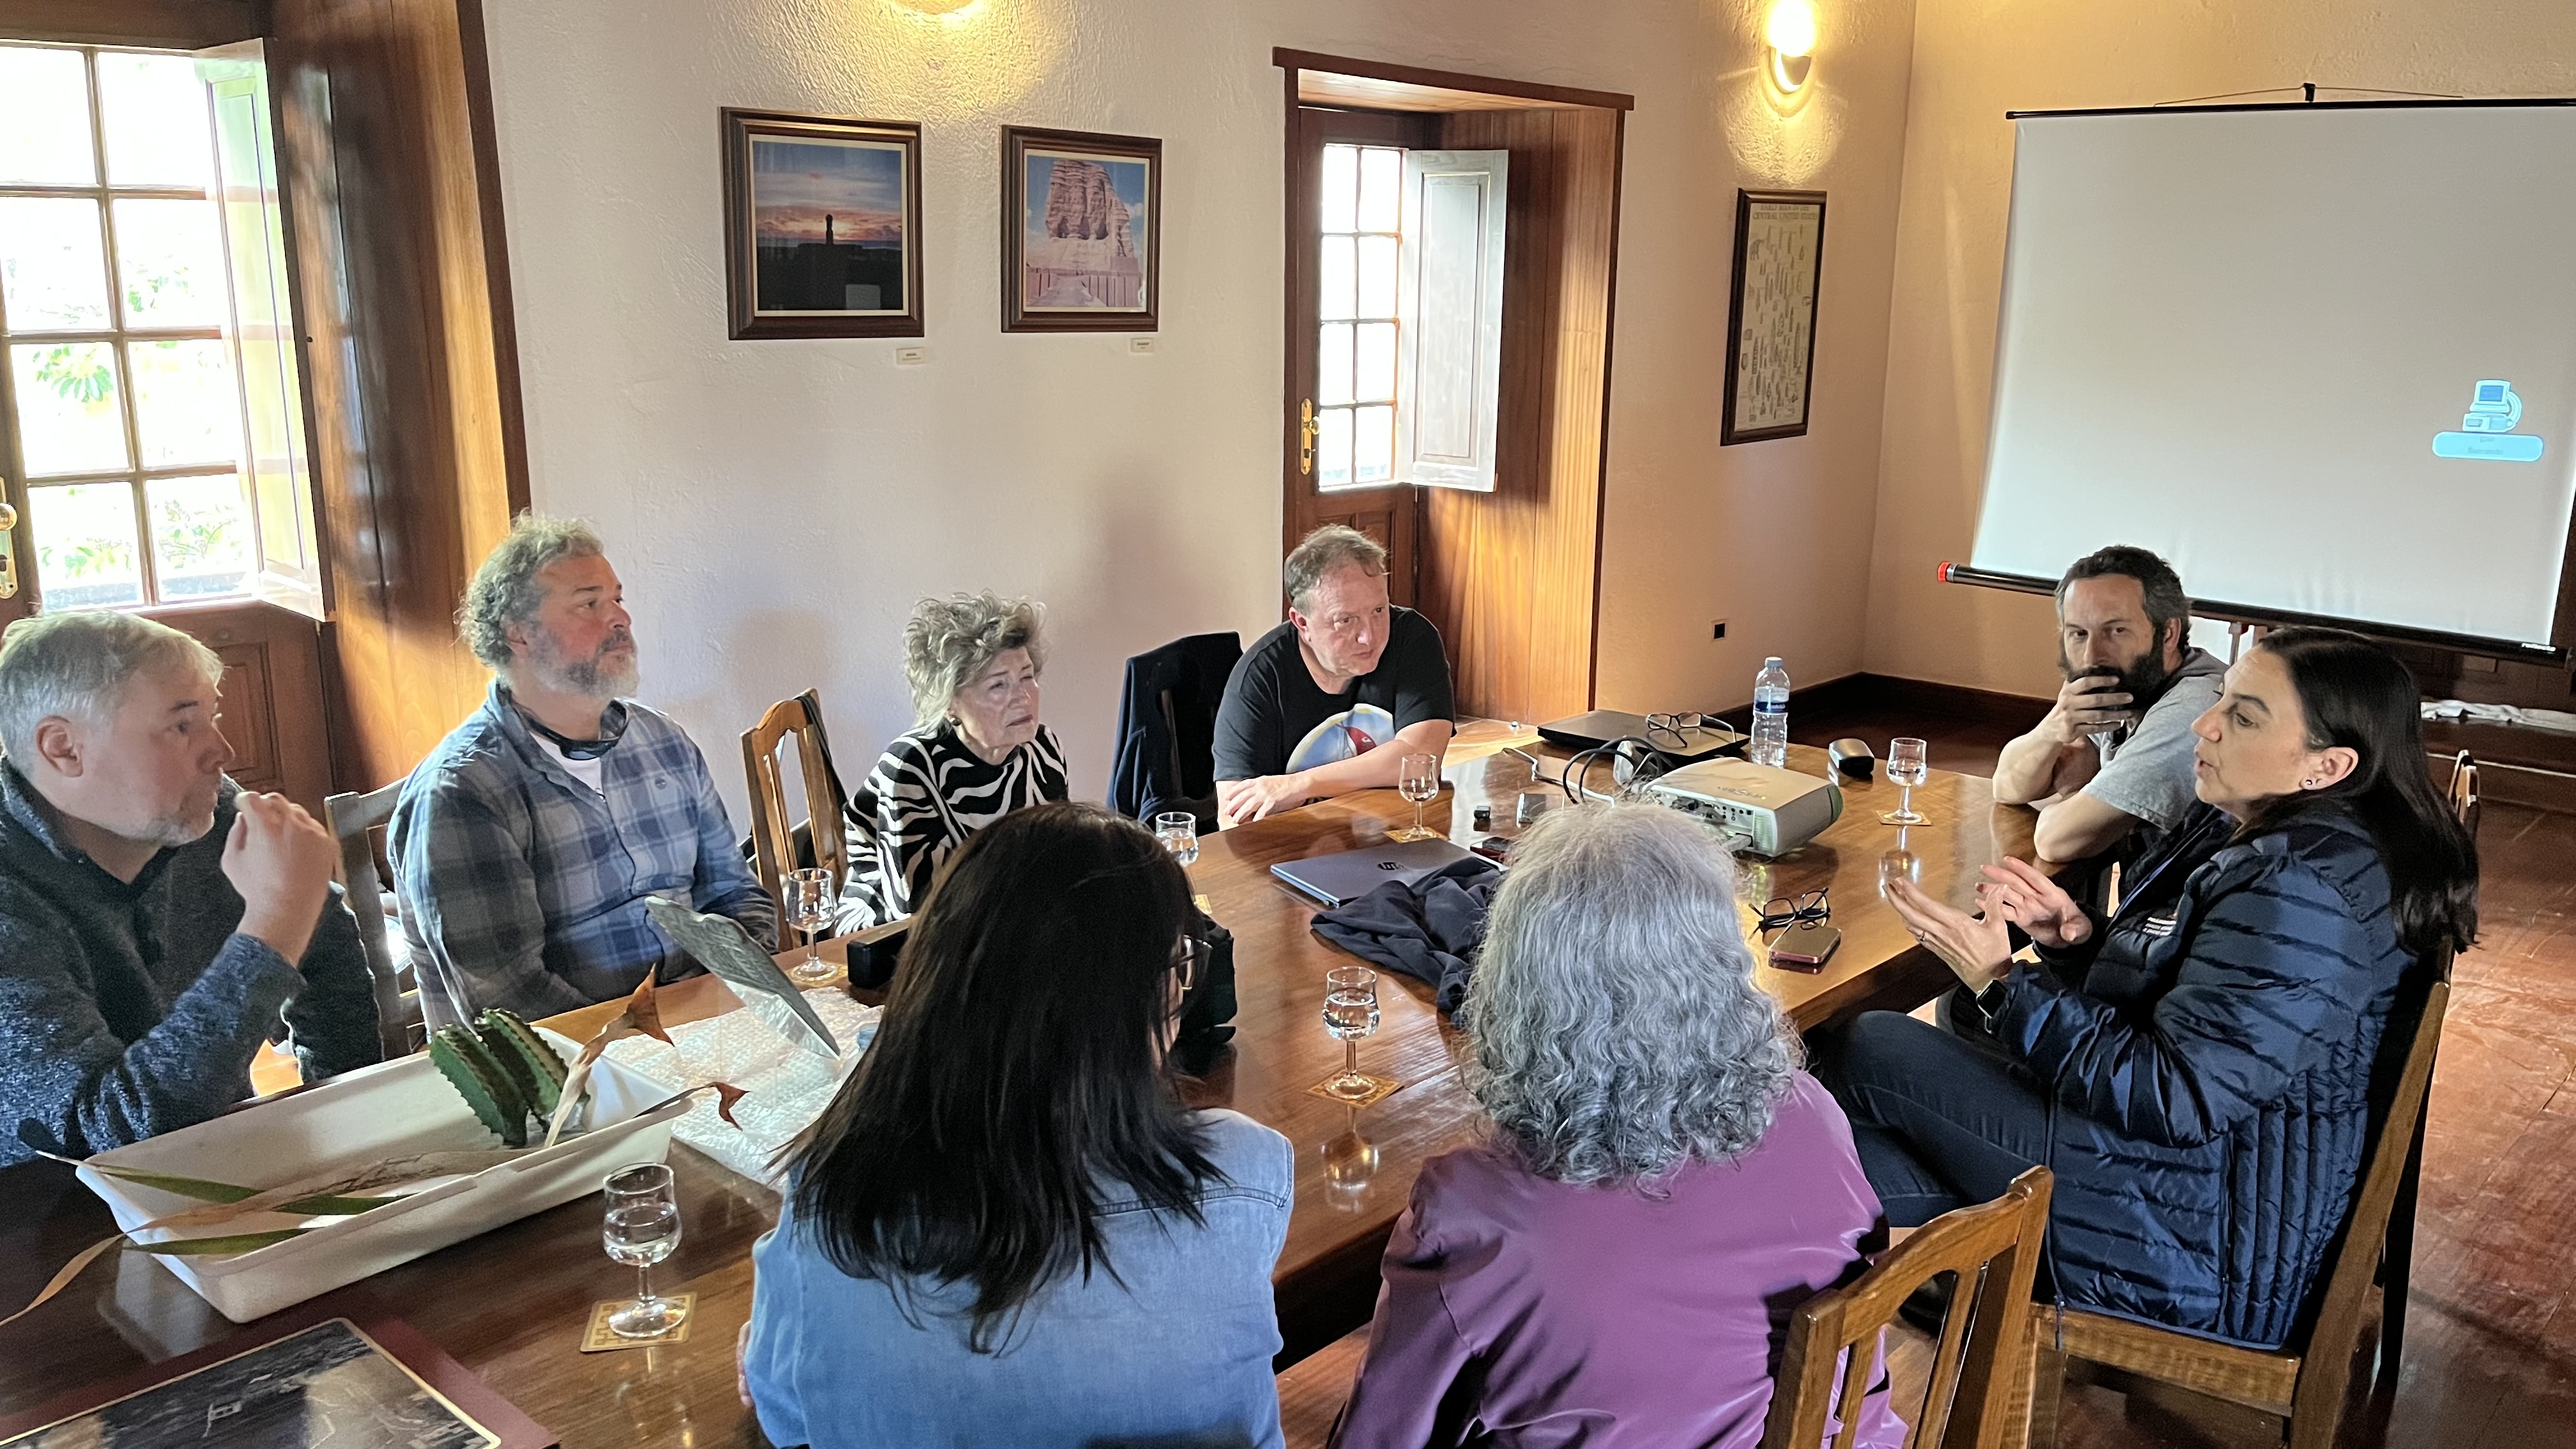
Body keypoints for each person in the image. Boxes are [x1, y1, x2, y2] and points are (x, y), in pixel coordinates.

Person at [1850, 627, 2477, 1347]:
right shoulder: (2307, 837)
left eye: (2244, 717)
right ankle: (1942, 1257)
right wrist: (2075, 944)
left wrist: (2001, 982)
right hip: (2213, 1178)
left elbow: (2176, 1096)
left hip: (2209, 1248)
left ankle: (1885, 1266)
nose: (2205, 725)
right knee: (1963, 1017)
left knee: (1872, 1046)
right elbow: (2201, 1007)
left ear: (2326, 766)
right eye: (2221, 700)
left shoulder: (2299, 888)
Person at [1331, 801, 1901, 1448]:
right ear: (1721, 962)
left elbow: (1382, 1434)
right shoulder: (1810, 1111)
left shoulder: (1476, 1210)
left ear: (1516, 986)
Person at [744, 803, 1292, 1448]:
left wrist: (782, 1333)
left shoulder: (828, 1189)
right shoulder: (1244, 1171)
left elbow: (784, 1412)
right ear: (1148, 997)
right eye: (1179, 969)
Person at [0, 612, 378, 1165]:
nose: (221, 751)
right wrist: (273, 926)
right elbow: (106, 1137)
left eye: (212, 718)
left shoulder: (211, 812)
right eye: (182, 726)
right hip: (47, 1208)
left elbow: (328, 953)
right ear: (64, 749)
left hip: (222, 1172)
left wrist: (349, 1122)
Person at [390, 515, 773, 1023]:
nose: (620, 619)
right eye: (589, 604)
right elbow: (509, 1000)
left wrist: (745, 998)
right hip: (574, 1061)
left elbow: (734, 893)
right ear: (519, 634)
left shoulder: (665, 742)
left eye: (618, 599)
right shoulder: (463, 791)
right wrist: (650, 1043)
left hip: (706, 1028)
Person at [841, 592, 1068, 926]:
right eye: (998, 685)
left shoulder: (1043, 748)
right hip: (896, 935)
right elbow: (916, 904)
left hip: (1008, 921)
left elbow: (1059, 861)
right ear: (950, 703)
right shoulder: (910, 768)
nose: (1023, 696)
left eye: (1027, 676)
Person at [1991, 546, 2227, 863]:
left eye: (2116, 631)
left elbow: (2057, 840)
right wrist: (2053, 730)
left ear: (2169, 634)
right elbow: (2008, 788)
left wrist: (2080, 791)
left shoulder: (2195, 708)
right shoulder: (2125, 685)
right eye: (2079, 633)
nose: (2092, 655)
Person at [1213, 526, 1454, 825]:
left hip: (1399, 832)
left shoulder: (1411, 638)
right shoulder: (1259, 680)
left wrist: (1301, 784)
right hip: (1295, 843)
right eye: (1346, 620)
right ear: (1302, 623)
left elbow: (1421, 761)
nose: (1369, 636)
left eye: (1379, 611)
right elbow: (1233, 816)